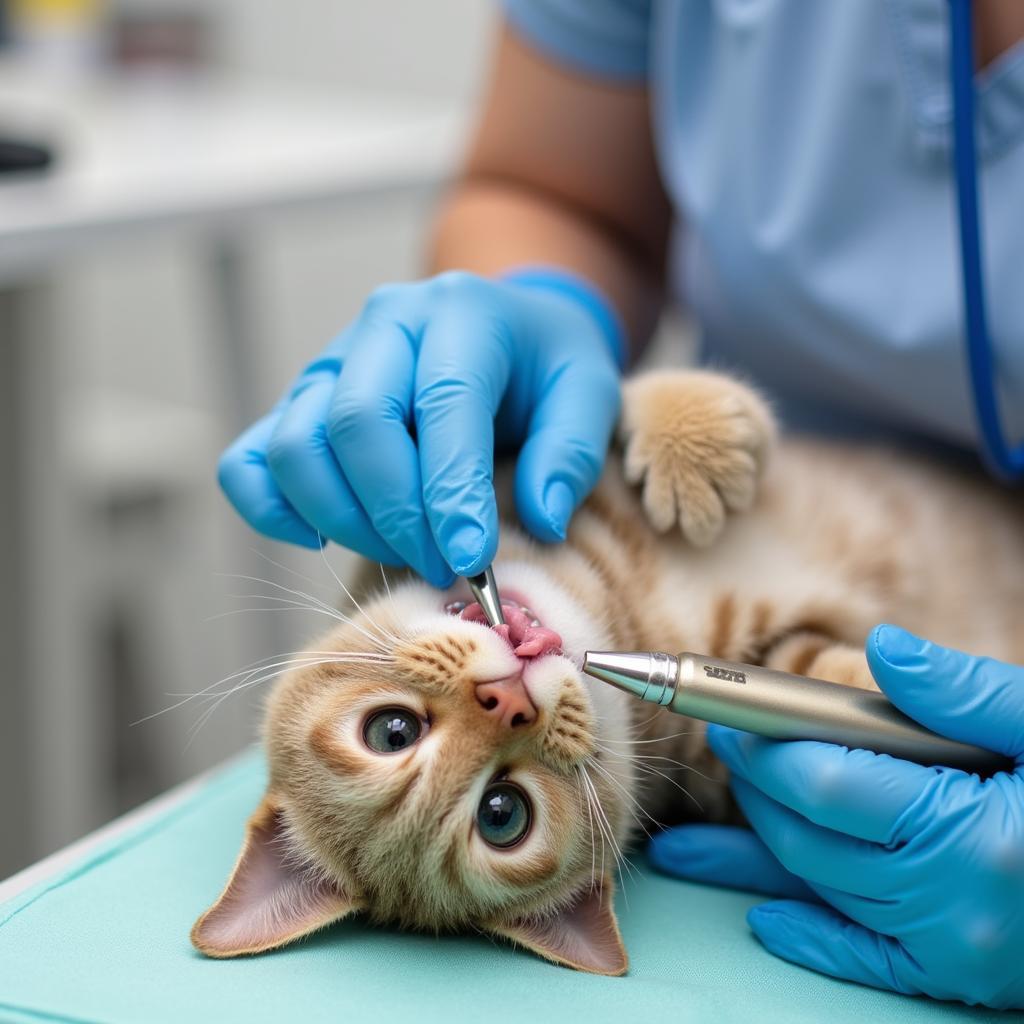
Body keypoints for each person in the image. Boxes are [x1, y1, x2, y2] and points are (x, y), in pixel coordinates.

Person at [217, 2, 1024, 1009]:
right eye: (505, 813)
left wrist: (635, 421)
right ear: (586, 882)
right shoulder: (693, 745)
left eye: (392, 733)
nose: (496, 707)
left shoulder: (434, 547)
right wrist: (544, 297)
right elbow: (553, 185)